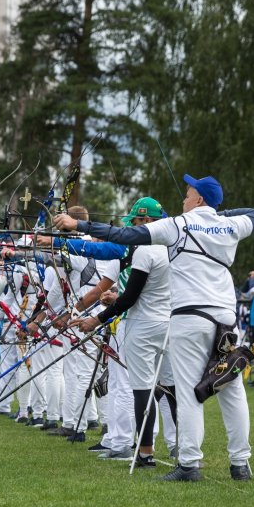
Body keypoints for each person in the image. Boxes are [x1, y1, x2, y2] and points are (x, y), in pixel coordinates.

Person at [54, 173, 254, 482]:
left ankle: (190, 464)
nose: (183, 199)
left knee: (189, 390)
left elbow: (125, 236)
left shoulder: (178, 224)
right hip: (226, 317)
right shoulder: (230, 226)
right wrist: (217, 216)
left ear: (199, 200)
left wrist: (81, 226)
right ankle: (240, 464)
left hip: (190, 318)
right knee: (231, 386)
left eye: (188, 194)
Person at [72, 196, 177, 468]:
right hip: (168, 326)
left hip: (142, 326)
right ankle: (181, 448)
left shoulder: (145, 250)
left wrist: (96, 319)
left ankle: (144, 451)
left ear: (146, 222)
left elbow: (131, 297)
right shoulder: (173, 248)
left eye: (136, 223)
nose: (132, 230)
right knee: (169, 388)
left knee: (141, 389)